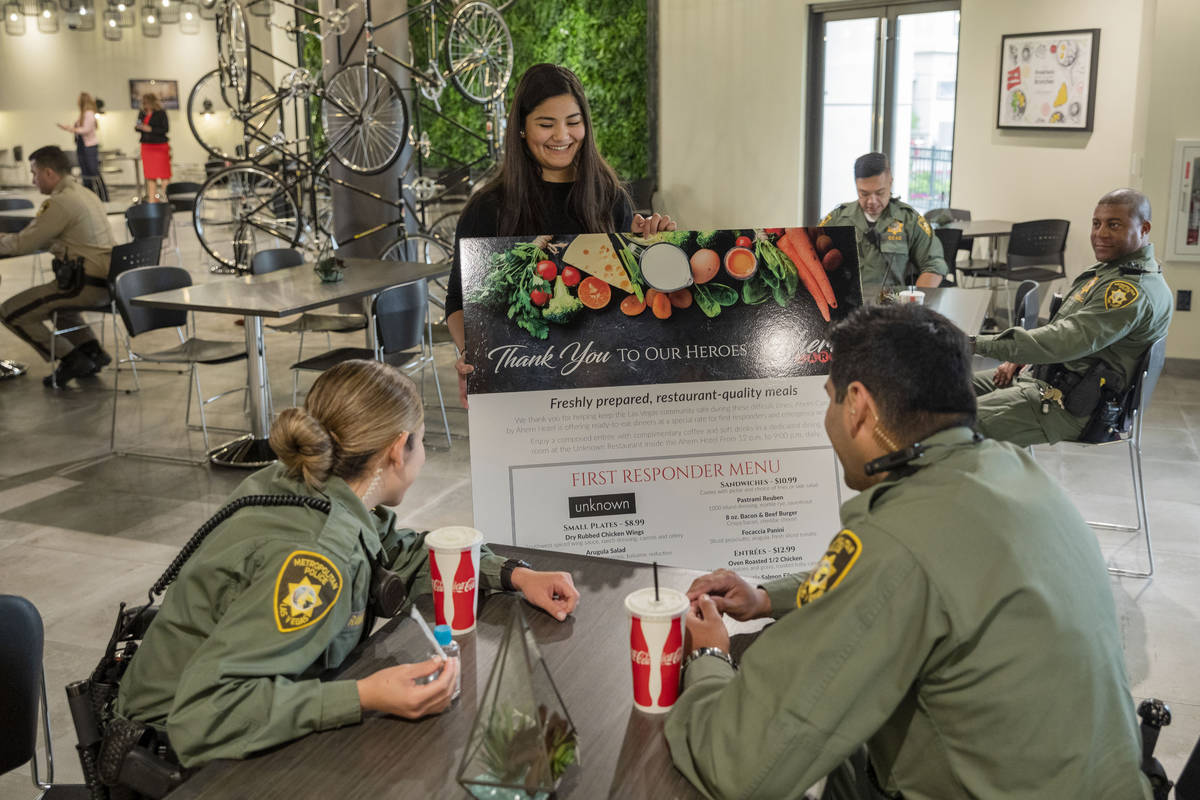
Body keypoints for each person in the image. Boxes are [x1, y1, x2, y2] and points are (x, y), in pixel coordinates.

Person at [664, 304, 1151, 800]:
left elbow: (742, 766)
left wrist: (708, 657)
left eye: (830, 399)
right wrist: (768, 597)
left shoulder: (902, 537)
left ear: (857, 406)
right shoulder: (1010, 473)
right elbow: (913, 578)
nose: (828, 417)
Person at [114, 359, 580, 770]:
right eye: (421, 443)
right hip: (181, 765)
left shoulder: (303, 482)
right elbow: (204, 713)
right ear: (398, 450)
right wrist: (362, 696)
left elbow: (400, 553)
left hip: (192, 727)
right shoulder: (317, 563)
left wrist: (513, 573)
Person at [444, 63, 675, 407]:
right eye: (546, 124)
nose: (562, 136)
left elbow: (633, 303)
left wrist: (652, 246)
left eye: (573, 122)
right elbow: (458, 302)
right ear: (521, 128)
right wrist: (473, 353)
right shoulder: (488, 208)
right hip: (519, 387)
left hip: (604, 391)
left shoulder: (610, 200)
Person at [972, 189, 1173, 446]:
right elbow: (1063, 328)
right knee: (944, 390)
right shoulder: (1109, 271)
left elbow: (1061, 341)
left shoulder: (1129, 291)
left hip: (1070, 408)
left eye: (1114, 225)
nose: (1100, 234)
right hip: (1045, 379)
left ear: (1144, 228)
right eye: (1096, 223)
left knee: (954, 426)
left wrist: (973, 343)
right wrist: (1021, 355)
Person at [0, 145, 114, 386]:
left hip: (83, 285)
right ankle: (92, 351)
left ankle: (72, 359)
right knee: (61, 309)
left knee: (10, 312)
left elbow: (22, 244)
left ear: (49, 173)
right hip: (107, 282)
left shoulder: (60, 203)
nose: (33, 181)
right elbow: (46, 236)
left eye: (35, 173)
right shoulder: (84, 193)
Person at [819, 152, 947, 298]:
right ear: (856, 186)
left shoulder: (909, 220)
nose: (872, 201)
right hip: (849, 308)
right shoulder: (837, 219)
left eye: (880, 192)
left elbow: (934, 265)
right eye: (864, 194)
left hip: (892, 307)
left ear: (890, 182)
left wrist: (914, 304)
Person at [56, 91, 109, 201]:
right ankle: (89, 196)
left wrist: (70, 129)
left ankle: (103, 197)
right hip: (82, 146)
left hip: (89, 147)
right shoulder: (82, 114)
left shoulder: (89, 113)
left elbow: (86, 129)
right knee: (85, 173)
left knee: (93, 172)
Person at [135, 92, 170, 202]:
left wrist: (151, 129)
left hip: (160, 147)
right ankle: (152, 200)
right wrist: (140, 127)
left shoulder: (161, 113)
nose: (144, 105)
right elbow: (137, 126)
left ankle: (165, 198)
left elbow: (165, 129)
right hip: (147, 147)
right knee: (150, 175)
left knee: (164, 174)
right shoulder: (142, 113)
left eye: (146, 102)